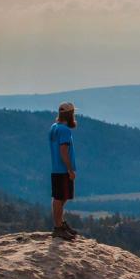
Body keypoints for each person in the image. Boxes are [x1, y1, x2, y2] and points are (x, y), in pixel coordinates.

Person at [49, 102, 80, 240]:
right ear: (70, 114)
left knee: (60, 197)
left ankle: (60, 224)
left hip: (56, 168)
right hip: (62, 170)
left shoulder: (54, 127)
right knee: (60, 198)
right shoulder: (65, 130)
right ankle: (58, 228)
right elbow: (63, 151)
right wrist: (70, 169)